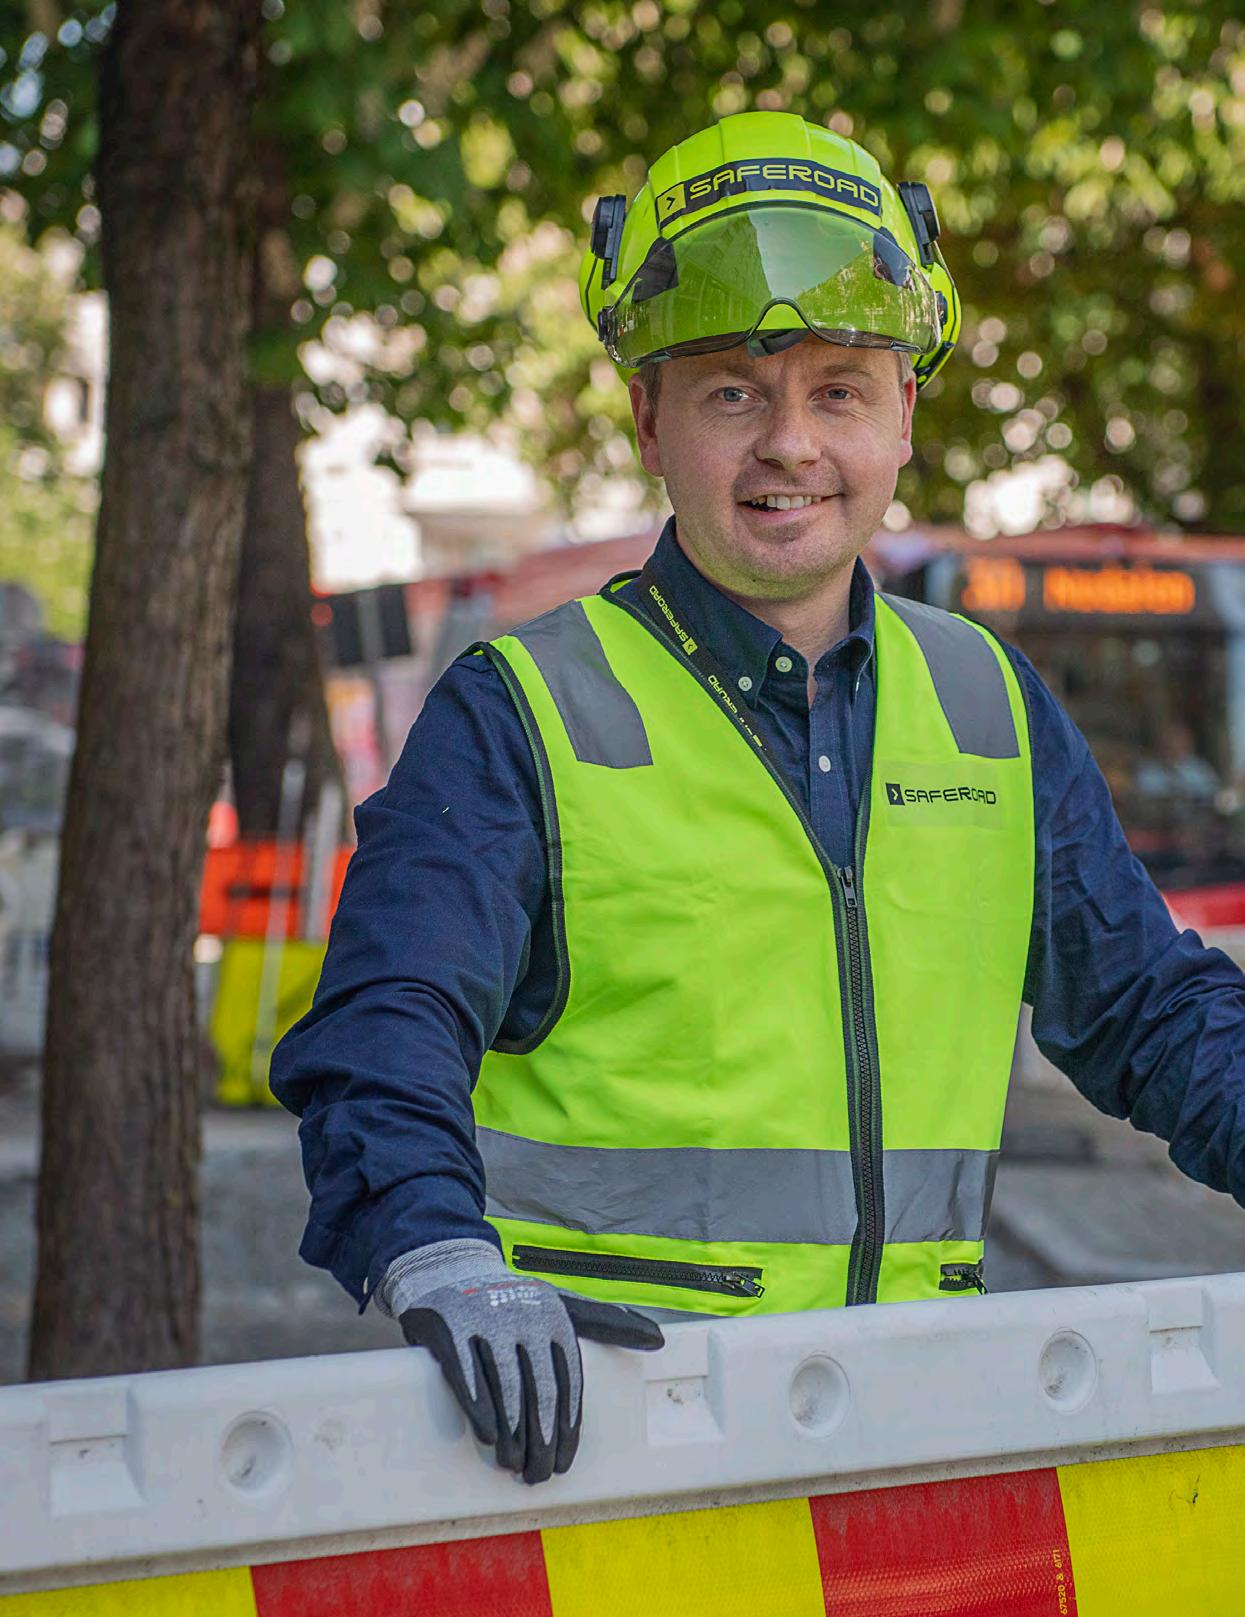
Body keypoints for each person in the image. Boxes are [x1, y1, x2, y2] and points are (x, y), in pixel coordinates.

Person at [271, 112, 1245, 1486]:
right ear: (648, 420)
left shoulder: (988, 705)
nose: (791, 444)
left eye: (838, 391)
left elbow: (1148, 1010)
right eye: (733, 393)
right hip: (600, 1455)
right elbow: (388, 1022)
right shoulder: (520, 713)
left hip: (911, 1452)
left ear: (903, 417)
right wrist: (435, 1247)